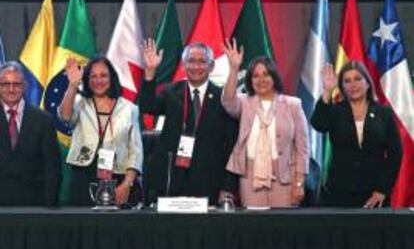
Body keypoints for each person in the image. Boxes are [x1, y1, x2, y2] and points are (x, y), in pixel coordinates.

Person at [139, 39, 238, 205]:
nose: (196, 67)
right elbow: (147, 106)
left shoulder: (223, 98)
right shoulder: (171, 92)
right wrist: (150, 72)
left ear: (211, 66)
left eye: (202, 62)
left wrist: (228, 187)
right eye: (191, 61)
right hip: (172, 181)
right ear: (184, 65)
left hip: (209, 182)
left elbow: (231, 146)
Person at [221, 40, 310, 208]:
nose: (261, 80)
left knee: (283, 228)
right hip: (250, 177)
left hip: (285, 177)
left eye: (266, 74)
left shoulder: (293, 105)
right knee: (255, 228)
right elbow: (227, 101)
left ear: (274, 77)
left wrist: (299, 183)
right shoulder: (244, 102)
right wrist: (233, 69)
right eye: (255, 75)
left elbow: (302, 148)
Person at [311, 61, 402, 208]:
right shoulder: (335, 111)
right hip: (338, 194)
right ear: (342, 87)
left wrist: (383, 190)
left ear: (367, 83)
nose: (353, 84)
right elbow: (318, 124)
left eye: (358, 79)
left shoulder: (383, 113)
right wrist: (327, 91)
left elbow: (395, 154)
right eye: (347, 81)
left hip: (374, 195)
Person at [59, 56, 143, 207]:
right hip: (84, 175)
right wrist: (72, 85)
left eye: (103, 75)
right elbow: (65, 116)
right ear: (87, 80)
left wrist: (126, 184)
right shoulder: (79, 102)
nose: (99, 81)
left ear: (112, 78)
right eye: (93, 76)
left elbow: (136, 153)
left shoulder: (129, 109)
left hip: (118, 177)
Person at [0, 61, 61, 206]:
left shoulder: (43, 120)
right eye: (5, 84)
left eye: (16, 84)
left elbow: (52, 169)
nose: (11, 89)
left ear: (25, 86)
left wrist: (49, 207)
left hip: (34, 208)